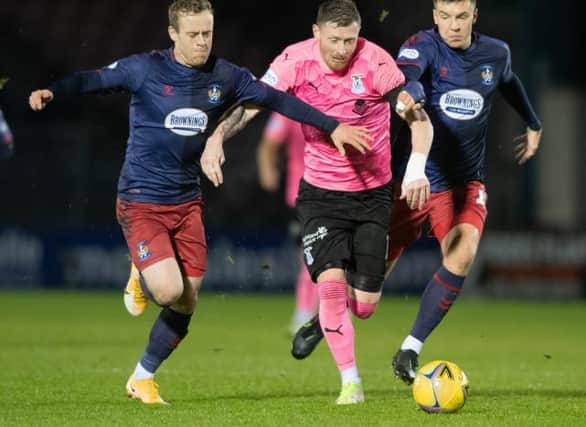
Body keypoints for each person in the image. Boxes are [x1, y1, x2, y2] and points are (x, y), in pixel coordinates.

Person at [29, 0, 369, 405]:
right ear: (173, 33)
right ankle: (141, 270)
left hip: (187, 203)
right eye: (193, 34)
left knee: (188, 300)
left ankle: (142, 378)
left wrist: (332, 126)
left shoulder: (225, 76)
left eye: (207, 32)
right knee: (170, 290)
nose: (202, 41)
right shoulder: (146, 69)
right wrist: (55, 91)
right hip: (140, 200)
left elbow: (278, 99)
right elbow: (96, 79)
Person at [208, 0, 432, 404]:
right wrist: (217, 138)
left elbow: (418, 119)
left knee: (363, 307)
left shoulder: (377, 64)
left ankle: (323, 321)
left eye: (350, 39)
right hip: (320, 195)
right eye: (334, 40)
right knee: (330, 287)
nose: (343, 49)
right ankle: (351, 383)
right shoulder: (295, 61)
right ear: (316, 33)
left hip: (373, 195)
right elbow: (253, 103)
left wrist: (416, 168)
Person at [388, 0, 543, 384]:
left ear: (475, 15)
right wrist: (410, 91)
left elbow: (509, 82)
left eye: (461, 17)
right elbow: (409, 73)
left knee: (463, 253)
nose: (453, 26)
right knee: (367, 285)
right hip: (413, 181)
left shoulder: (495, 52)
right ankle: (327, 321)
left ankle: (410, 348)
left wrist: (533, 123)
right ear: (434, 15)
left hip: (463, 183)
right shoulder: (421, 45)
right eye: (445, 17)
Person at [256, 112, 318, 335]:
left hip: (333, 191)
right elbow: (268, 144)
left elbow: (268, 143)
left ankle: (323, 313)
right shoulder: (290, 109)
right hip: (301, 194)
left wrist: (267, 170)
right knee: (309, 257)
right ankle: (304, 313)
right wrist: (267, 170)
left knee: (329, 257)